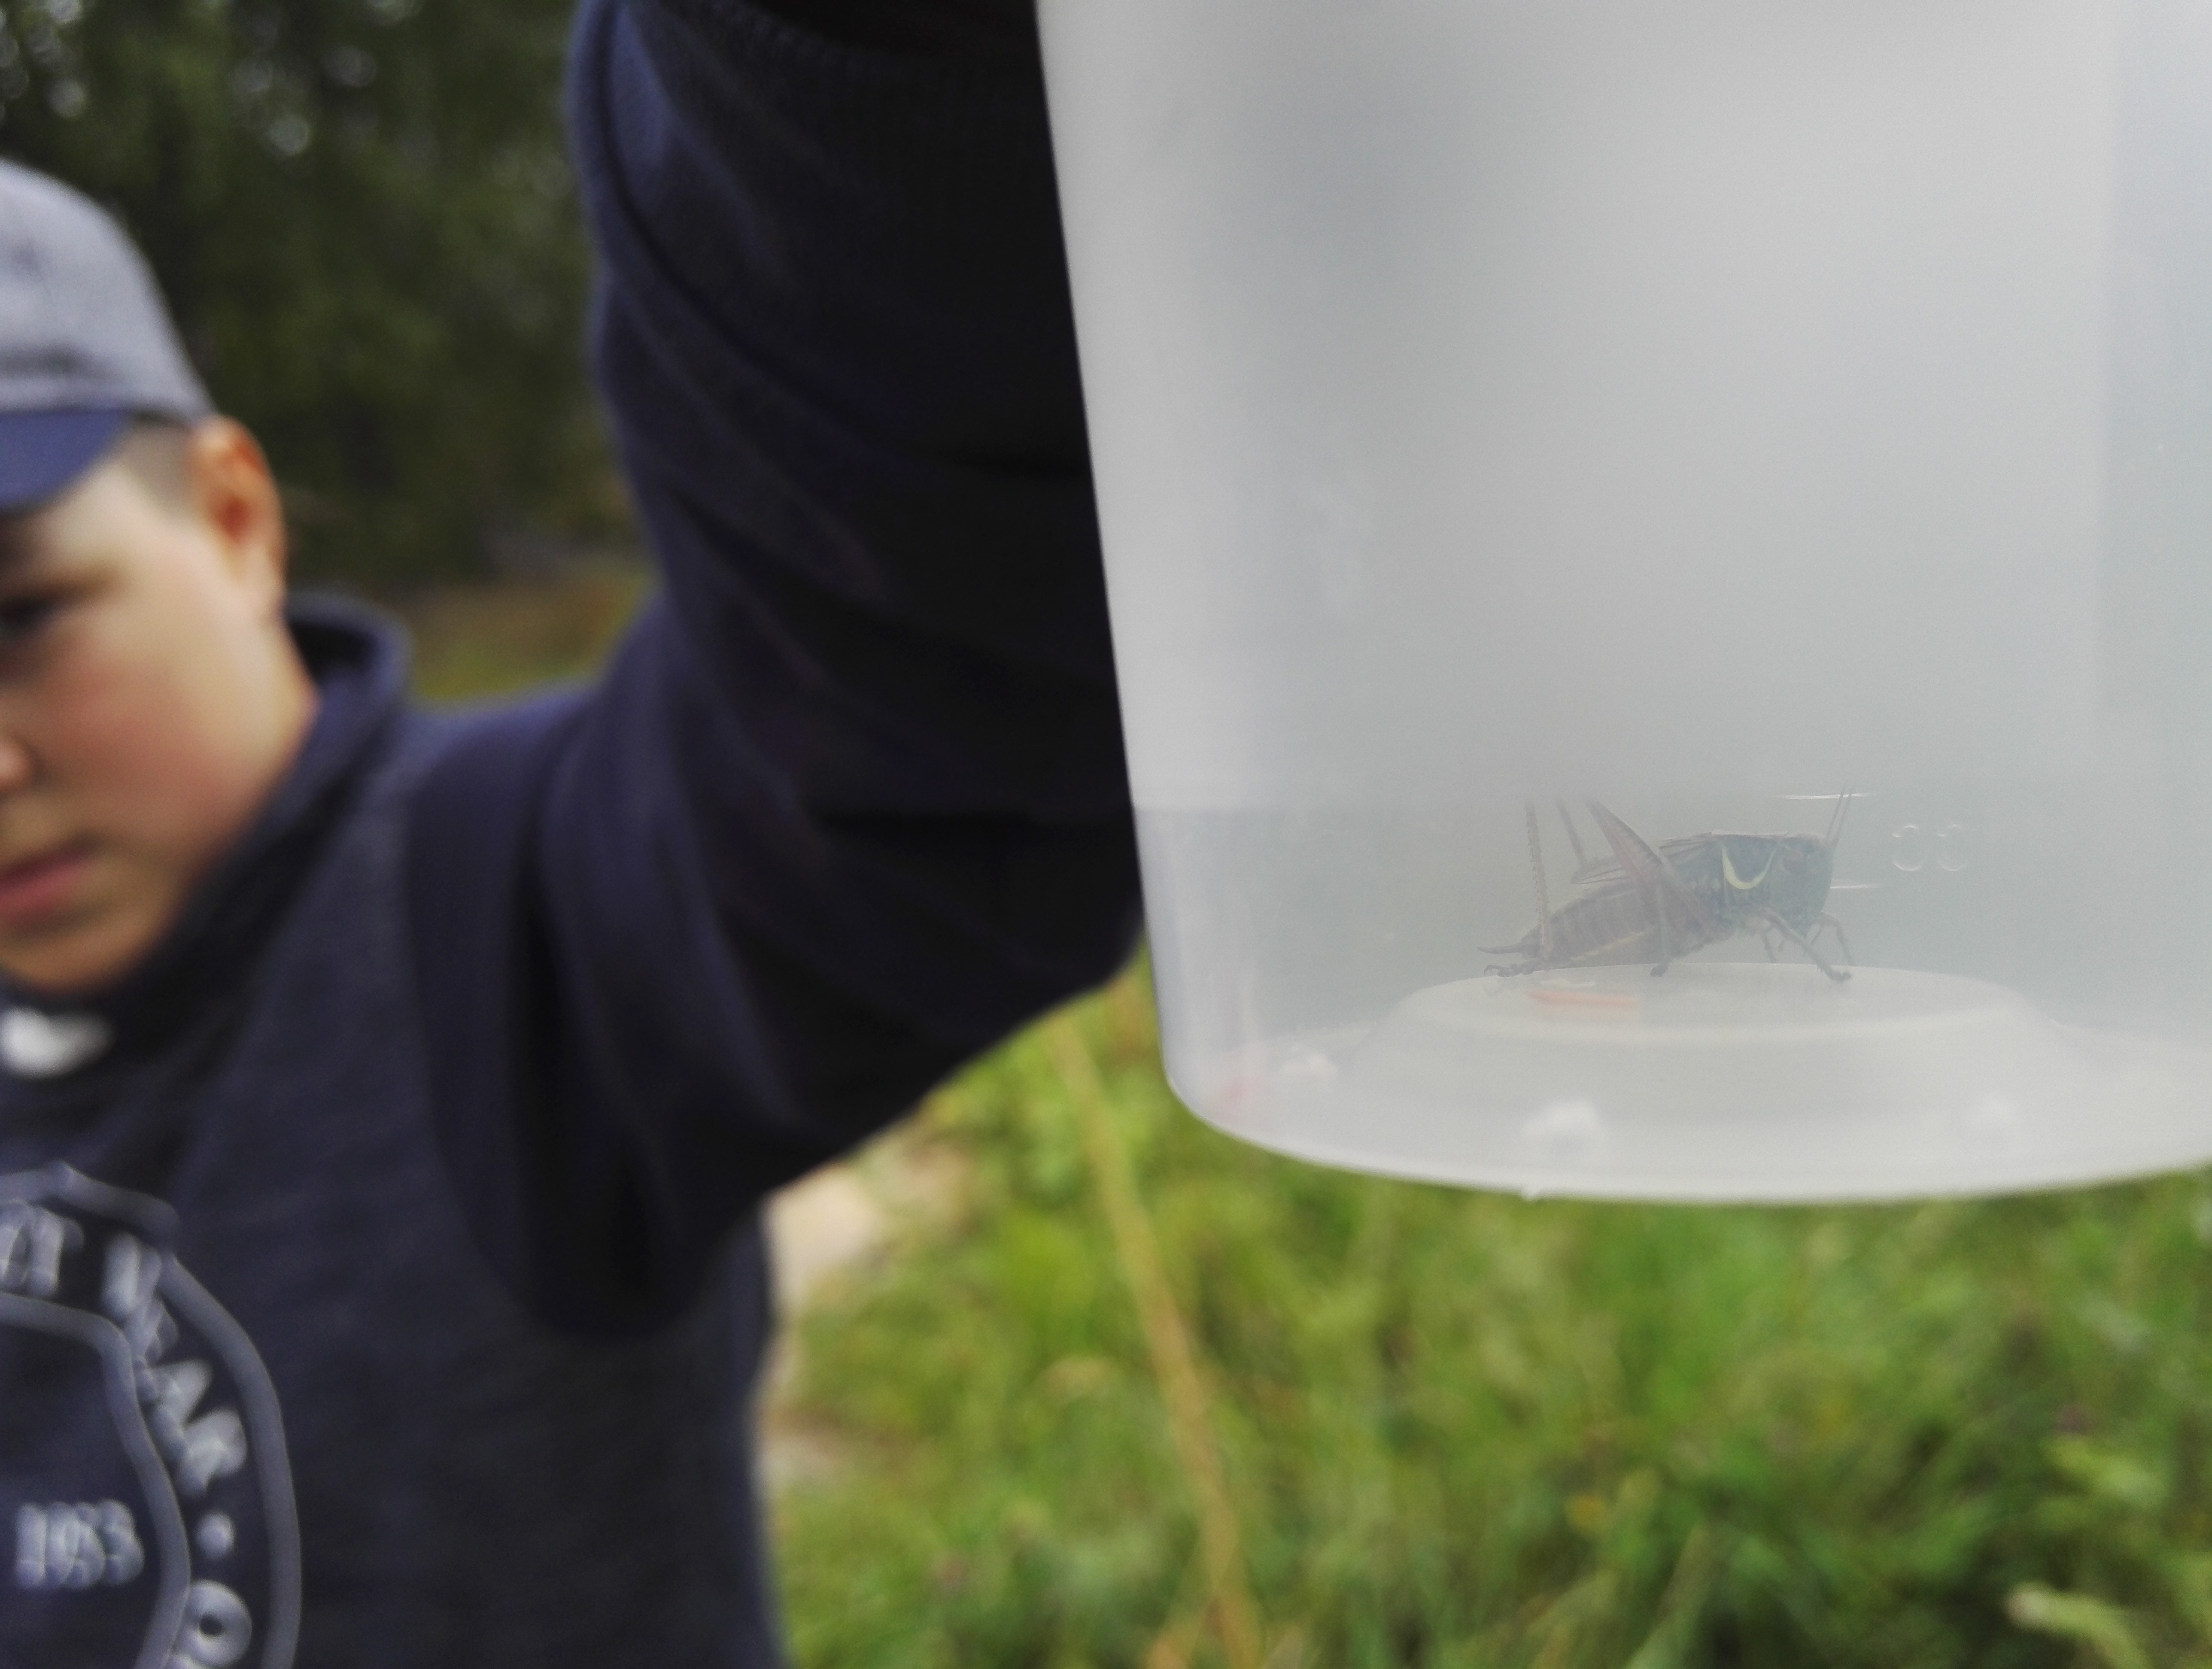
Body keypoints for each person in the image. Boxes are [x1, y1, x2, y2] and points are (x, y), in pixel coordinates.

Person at [0, 0, 1137, 1658]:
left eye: (27, 614)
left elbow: (912, 691)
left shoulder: (512, 917)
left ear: (238, 519)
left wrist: (855, 53)